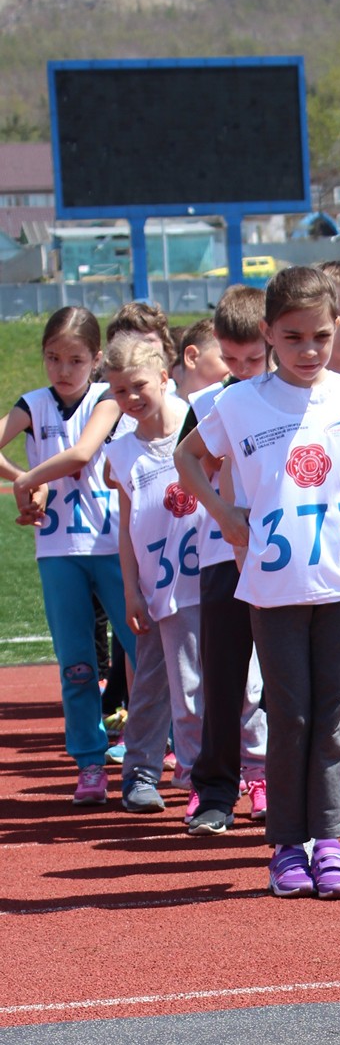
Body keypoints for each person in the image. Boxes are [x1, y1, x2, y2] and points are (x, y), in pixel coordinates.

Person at [174, 266, 340, 899]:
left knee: (335, 713)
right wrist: (224, 512)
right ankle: (287, 847)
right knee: (290, 715)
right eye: (293, 338)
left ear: (338, 329)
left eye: (320, 336)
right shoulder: (239, 402)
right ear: (268, 334)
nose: (309, 351)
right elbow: (188, 457)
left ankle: (330, 845)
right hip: (274, 590)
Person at [0, 306, 136, 805]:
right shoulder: (32, 404)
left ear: (96, 359)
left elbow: (81, 454)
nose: (62, 369)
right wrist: (20, 477)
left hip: (113, 545)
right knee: (77, 664)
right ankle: (90, 762)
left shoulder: (106, 397)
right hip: (58, 551)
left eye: (75, 359)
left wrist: (30, 480)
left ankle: (151, 754)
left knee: (144, 654)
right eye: (52, 358)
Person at [176, 289, 270, 836]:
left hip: (288, 558)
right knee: (225, 676)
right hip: (221, 554)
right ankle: (214, 791)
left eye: (251, 360)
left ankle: (277, 782)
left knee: (286, 681)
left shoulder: (297, 396)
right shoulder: (211, 402)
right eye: (229, 360)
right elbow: (189, 463)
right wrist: (222, 511)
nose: (238, 371)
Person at [104, 334, 204, 816]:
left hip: (209, 577)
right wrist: (130, 590)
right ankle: (141, 773)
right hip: (158, 586)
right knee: (152, 684)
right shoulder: (122, 452)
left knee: (214, 683)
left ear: (165, 377)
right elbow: (126, 527)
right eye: (119, 391)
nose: (130, 399)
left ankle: (220, 774)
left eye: (139, 385)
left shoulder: (200, 422)